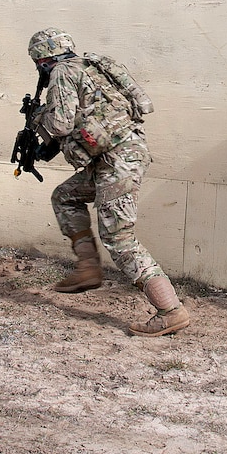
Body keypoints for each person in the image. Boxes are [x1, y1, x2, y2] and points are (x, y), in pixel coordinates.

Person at [27, 27, 191, 337]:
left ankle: (170, 310)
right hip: (115, 158)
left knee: (119, 238)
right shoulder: (91, 66)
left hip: (117, 162)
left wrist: (38, 118)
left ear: (42, 58)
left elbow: (60, 123)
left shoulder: (62, 72)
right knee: (65, 196)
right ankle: (88, 268)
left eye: (37, 63)